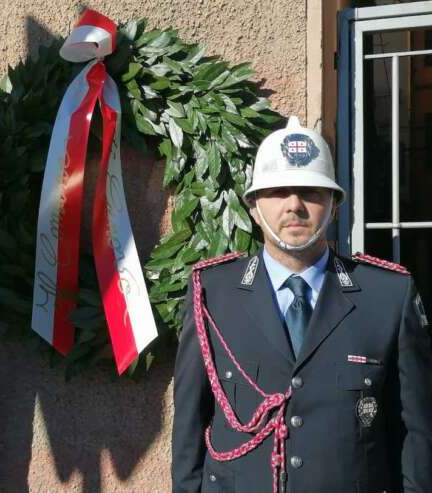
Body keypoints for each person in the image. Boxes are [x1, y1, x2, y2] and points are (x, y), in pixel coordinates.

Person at [172, 116, 432, 492]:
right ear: (254, 207)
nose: (294, 205)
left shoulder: (387, 296)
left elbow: (416, 434)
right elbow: (190, 430)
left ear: (335, 205)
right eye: (278, 192)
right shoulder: (213, 294)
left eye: (310, 191)